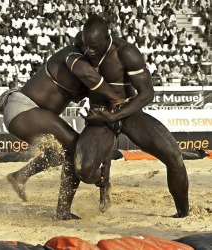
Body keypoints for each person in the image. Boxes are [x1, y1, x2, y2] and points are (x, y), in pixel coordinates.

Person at [73, 16, 189, 218]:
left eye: (95, 47)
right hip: (99, 113)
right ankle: (103, 181)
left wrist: (115, 116)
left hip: (128, 112)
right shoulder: (79, 46)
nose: (90, 51)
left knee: (174, 156)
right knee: (83, 170)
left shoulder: (126, 52)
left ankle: (183, 214)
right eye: (87, 46)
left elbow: (147, 94)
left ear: (108, 38)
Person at [0, 44, 124, 220]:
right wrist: (102, 181)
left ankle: (20, 176)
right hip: (25, 109)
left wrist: (104, 180)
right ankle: (63, 211)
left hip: (23, 112)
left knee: (61, 153)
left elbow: (102, 138)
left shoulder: (92, 75)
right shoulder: (78, 61)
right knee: (77, 152)